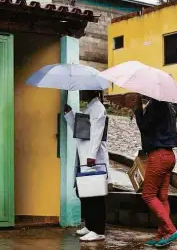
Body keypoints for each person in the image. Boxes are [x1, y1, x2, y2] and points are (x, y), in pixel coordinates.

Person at [131, 94, 177, 247]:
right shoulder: (168, 105)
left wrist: (138, 110)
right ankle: (163, 233)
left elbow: (145, 128)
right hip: (169, 155)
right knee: (162, 197)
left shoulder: (156, 105)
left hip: (158, 156)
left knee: (148, 195)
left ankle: (171, 231)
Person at [64, 90, 111, 242]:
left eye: (84, 89)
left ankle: (98, 230)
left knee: (95, 195)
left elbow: (97, 133)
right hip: (84, 156)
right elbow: (81, 132)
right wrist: (69, 115)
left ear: (92, 90)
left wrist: (91, 155)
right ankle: (90, 225)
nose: (81, 92)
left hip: (93, 158)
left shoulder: (98, 108)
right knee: (85, 193)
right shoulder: (89, 107)